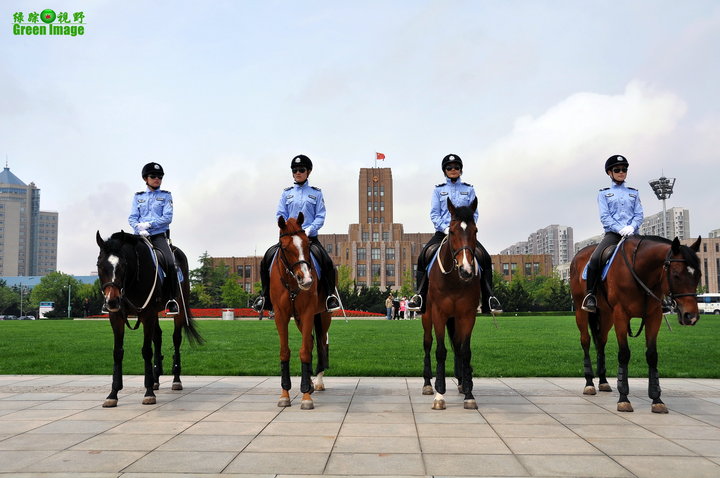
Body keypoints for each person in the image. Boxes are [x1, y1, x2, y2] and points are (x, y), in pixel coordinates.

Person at [407, 154, 500, 313]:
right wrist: (446, 229)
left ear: (461, 170)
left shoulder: (469, 189)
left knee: (485, 257)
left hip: (464, 234)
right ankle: (420, 296)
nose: (453, 170)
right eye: (449, 168)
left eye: (456, 167)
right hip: (443, 232)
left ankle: (489, 298)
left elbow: (474, 214)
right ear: (445, 171)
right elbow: (434, 214)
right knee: (423, 256)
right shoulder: (438, 190)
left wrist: (467, 228)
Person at [252, 155, 341, 313]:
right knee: (266, 260)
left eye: (301, 170)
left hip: (309, 238)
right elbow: (280, 213)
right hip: (289, 238)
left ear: (308, 172)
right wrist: (287, 229)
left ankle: (329, 296)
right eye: (295, 170)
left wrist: (308, 230)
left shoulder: (316, 193)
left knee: (327, 262)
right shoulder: (286, 193)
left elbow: (320, 216)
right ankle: (265, 298)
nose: (298, 173)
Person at [581, 154, 644, 312]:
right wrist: (620, 229)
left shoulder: (634, 193)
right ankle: (591, 296)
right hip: (613, 235)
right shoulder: (603, 193)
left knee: (652, 259)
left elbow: (639, 214)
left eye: (624, 169)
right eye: (617, 170)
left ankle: (659, 299)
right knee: (595, 259)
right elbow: (605, 217)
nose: (621, 172)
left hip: (633, 234)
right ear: (610, 172)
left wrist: (632, 227)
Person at [128, 162, 180, 315]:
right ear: (146, 178)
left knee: (170, 263)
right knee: (123, 260)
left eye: (160, 177)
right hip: (140, 236)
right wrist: (138, 227)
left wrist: (148, 225)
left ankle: (171, 300)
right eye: (153, 176)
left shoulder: (166, 196)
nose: (157, 179)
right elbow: (132, 217)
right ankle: (118, 298)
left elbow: (167, 218)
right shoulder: (138, 197)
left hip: (158, 237)